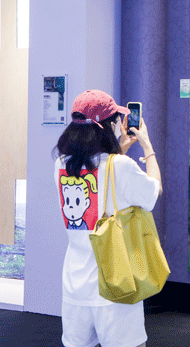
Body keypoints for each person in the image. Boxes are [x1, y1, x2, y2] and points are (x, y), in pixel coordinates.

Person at [53, 89, 161, 347]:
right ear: (109, 126)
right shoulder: (120, 166)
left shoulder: (61, 165)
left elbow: (99, 173)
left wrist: (121, 148)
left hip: (75, 286)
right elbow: (154, 192)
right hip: (114, 286)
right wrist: (147, 147)